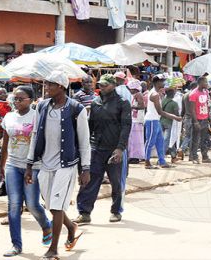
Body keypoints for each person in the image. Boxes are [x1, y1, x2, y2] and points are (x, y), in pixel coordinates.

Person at [26, 72, 90, 259]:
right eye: (46, 84)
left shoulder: (77, 109)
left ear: (61, 87)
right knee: (52, 207)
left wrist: (85, 169)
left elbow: (84, 141)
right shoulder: (42, 106)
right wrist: (30, 164)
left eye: (50, 85)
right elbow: (36, 135)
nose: (46, 88)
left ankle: (53, 249)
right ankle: (71, 227)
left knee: (56, 204)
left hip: (67, 165)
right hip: (45, 164)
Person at [0, 86, 53, 257]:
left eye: (21, 99)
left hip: (34, 166)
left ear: (31, 100)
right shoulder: (9, 117)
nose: (17, 102)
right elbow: (6, 142)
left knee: (32, 204)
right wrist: (2, 164)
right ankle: (16, 245)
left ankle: (46, 226)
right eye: (14, 98)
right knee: (13, 205)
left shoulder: (37, 116)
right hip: (12, 165)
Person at [76, 74, 131, 224]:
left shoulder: (123, 103)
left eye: (105, 85)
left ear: (113, 85)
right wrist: (84, 147)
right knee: (90, 181)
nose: (102, 87)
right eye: (100, 84)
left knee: (116, 181)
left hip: (114, 149)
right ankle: (84, 212)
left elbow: (126, 127)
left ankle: (116, 210)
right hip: (96, 148)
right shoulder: (95, 103)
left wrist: (120, 148)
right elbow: (90, 126)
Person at [144, 75, 181, 169]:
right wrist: (174, 117)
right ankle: (147, 162)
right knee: (150, 142)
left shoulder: (156, 93)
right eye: (162, 81)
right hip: (152, 120)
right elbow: (160, 112)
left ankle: (162, 161)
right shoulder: (154, 95)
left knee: (160, 142)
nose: (164, 83)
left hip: (156, 120)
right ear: (157, 83)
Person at [188, 77, 211, 163]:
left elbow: (210, 103)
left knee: (204, 139)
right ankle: (194, 157)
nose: (207, 84)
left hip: (205, 119)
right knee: (195, 140)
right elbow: (192, 109)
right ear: (200, 83)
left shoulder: (206, 92)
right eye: (205, 82)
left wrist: (208, 118)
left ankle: (205, 157)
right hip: (197, 120)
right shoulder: (193, 94)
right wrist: (195, 121)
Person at [127, 80, 146, 162]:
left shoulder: (138, 94)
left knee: (136, 139)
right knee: (134, 138)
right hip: (135, 119)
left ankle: (135, 156)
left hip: (137, 119)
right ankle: (133, 156)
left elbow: (142, 106)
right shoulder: (136, 95)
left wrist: (132, 107)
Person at [178, 82, 198, 160]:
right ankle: (183, 150)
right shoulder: (195, 95)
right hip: (193, 118)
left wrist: (181, 118)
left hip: (186, 118)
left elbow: (183, 109)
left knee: (187, 136)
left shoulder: (185, 95)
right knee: (193, 137)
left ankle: (188, 154)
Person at [161, 87, 180, 162]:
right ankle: (161, 158)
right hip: (169, 123)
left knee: (167, 140)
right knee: (168, 140)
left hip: (161, 122)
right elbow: (177, 115)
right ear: (173, 94)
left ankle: (173, 156)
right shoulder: (174, 103)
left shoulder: (162, 101)